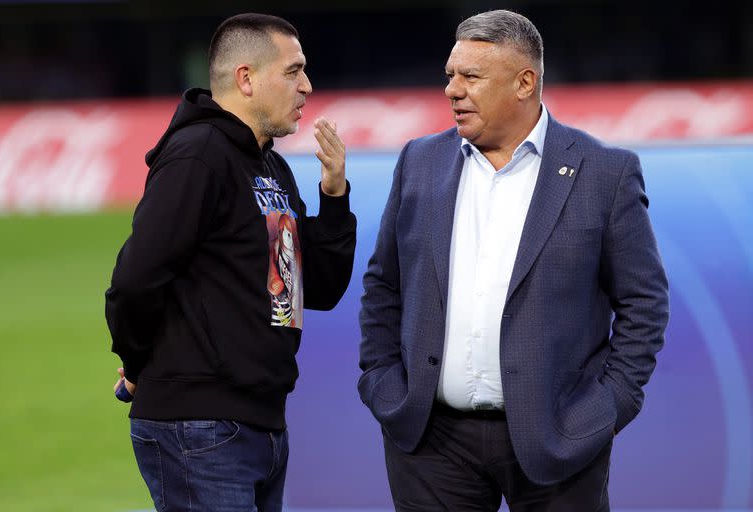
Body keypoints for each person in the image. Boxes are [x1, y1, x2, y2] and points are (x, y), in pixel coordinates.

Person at [358, 9, 668, 511]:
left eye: (470, 77)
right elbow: (384, 286)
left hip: (560, 442)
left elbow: (644, 302)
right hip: (430, 443)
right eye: (449, 76)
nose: (452, 90)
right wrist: (383, 382)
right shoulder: (418, 162)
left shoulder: (605, 173)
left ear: (525, 83)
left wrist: (607, 407)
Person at [105, 13, 356, 512]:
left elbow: (315, 290)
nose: (307, 86)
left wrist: (333, 196)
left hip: (260, 423)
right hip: (199, 426)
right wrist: (138, 364)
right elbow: (135, 280)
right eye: (292, 71)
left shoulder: (271, 166)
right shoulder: (197, 155)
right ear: (246, 78)